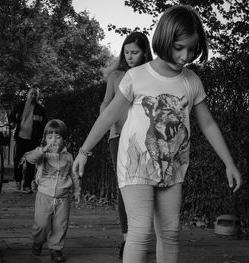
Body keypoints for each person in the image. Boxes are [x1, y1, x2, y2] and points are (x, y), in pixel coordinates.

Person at [73, 5, 242, 263]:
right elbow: (109, 115)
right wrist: (84, 151)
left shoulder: (191, 81)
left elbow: (207, 124)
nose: (186, 56)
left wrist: (228, 162)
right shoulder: (136, 76)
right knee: (140, 233)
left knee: (171, 233)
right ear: (164, 39)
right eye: (179, 47)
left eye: (193, 49)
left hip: (173, 168)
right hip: (136, 166)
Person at [100, 31, 153, 259]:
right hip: (118, 137)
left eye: (135, 52)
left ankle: (141, 236)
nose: (129, 56)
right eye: (126, 51)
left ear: (144, 53)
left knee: (146, 186)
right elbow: (105, 103)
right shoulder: (115, 76)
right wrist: (108, 117)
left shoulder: (150, 75)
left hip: (143, 138)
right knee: (124, 188)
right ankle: (126, 239)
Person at [26, 119, 81, 263]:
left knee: (60, 225)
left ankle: (56, 249)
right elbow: (30, 159)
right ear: (45, 139)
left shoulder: (68, 157)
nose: (54, 140)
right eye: (50, 137)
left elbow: (73, 175)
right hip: (44, 196)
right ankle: (38, 241)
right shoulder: (42, 155)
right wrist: (42, 150)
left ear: (63, 139)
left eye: (58, 137)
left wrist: (77, 191)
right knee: (42, 224)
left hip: (63, 198)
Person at [8, 86, 47, 193]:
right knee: (18, 161)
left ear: (38, 97)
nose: (33, 96)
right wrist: (11, 123)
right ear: (27, 94)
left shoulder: (41, 110)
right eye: (32, 94)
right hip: (20, 138)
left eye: (36, 95)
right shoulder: (19, 106)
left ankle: (27, 185)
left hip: (34, 140)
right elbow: (11, 117)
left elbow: (44, 125)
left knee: (31, 163)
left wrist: (43, 138)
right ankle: (18, 180)